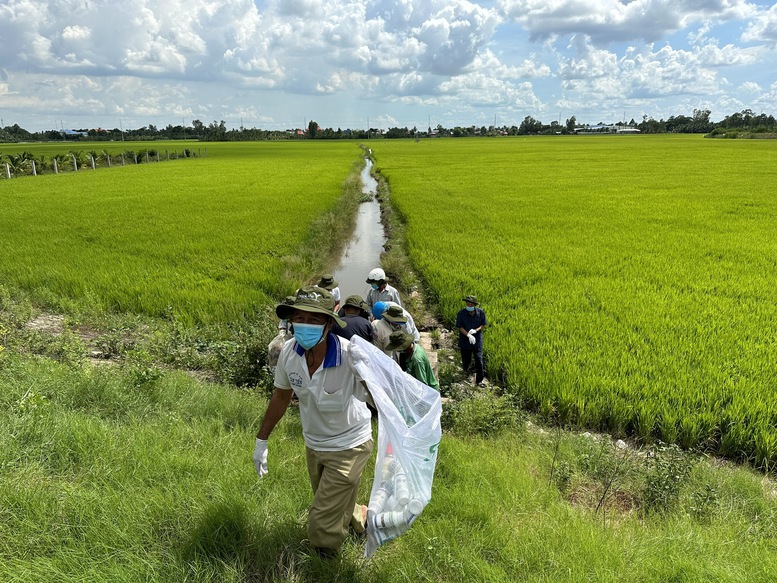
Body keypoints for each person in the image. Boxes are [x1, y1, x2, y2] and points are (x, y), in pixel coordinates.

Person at [253, 286, 374, 555]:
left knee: (321, 521)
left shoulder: (351, 356)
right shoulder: (288, 353)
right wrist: (262, 440)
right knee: (329, 499)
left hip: (349, 445)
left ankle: (324, 560)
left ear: (329, 323)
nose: (304, 325)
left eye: (313, 319)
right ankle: (362, 519)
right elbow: (281, 396)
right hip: (315, 443)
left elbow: (381, 398)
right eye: (299, 318)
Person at [456, 295, 488, 386]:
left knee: (478, 359)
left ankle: (479, 380)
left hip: (477, 340)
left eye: (470, 304)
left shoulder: (480, 313)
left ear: (474, 305)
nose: (468, 306)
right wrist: (468, 335)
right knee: (466, 360)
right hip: (465, 340)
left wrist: (476, 330)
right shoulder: (461, 313)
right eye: (467, 304)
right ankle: (466, 375)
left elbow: (483, 324)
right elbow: (460, 327)